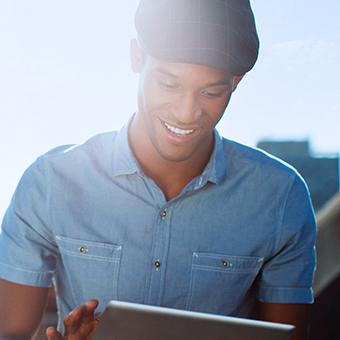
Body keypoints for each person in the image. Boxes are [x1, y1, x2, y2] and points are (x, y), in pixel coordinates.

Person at [0, 1, 316, 339]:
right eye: (169, 84)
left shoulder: (280, 197)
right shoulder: (50, 182)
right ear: (137, 57)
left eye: (212, 92)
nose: (186, 113)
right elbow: (10, 333)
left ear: (236, 83)